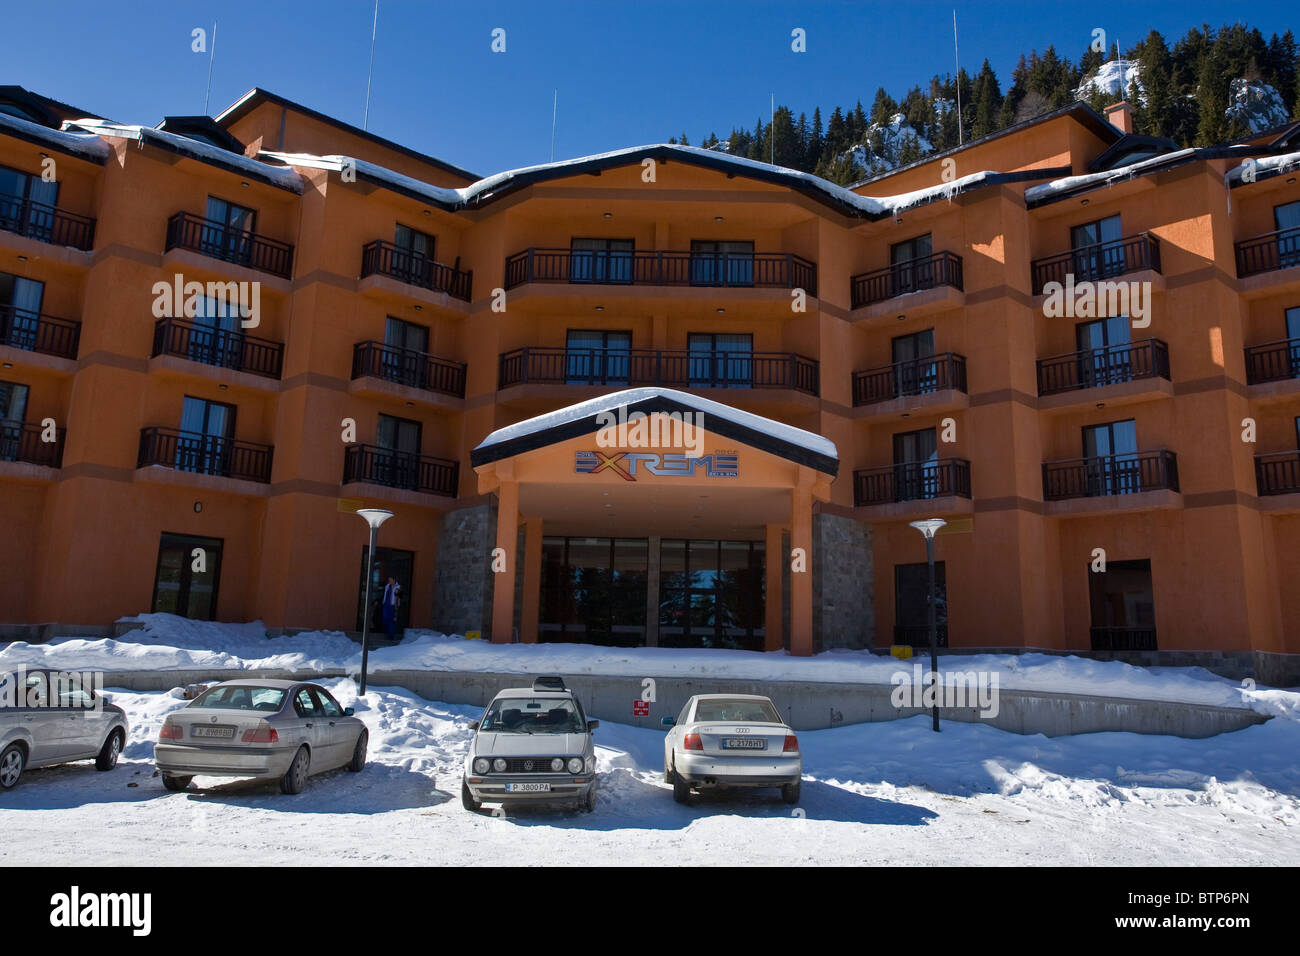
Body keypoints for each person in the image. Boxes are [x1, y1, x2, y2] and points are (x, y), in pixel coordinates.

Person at [381, 576, 401, 642]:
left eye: (390, 579)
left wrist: (397, 605)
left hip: (393, 605)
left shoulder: (398, 587)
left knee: (392, 620)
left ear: (394, 580)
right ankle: (388, 632)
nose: (389, 581)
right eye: (388, 579)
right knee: (385, 618)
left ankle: (391, 636)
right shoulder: (387, 586)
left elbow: (400, 597)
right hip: (386, 604)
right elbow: (385, 594)